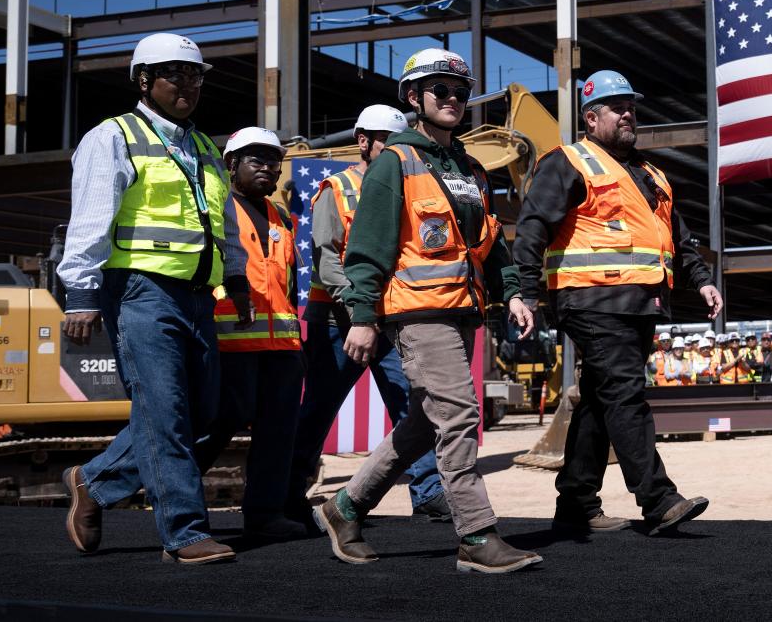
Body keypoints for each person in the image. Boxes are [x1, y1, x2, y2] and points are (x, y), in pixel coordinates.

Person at [312, 48, 541, 574]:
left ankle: (344, 507)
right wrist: (365, 317)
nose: (454, 100)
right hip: (415, 313)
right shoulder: (394, 162)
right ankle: (476, 535)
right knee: (459, 415)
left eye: (461, 92)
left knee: (421, 421)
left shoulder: (469, 165)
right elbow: (368, 249)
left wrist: (513, 293)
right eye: (441, 90)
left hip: (462, 310)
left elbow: (493, 245)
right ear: (414, 98)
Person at [514, 69, 720, 537]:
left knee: (598, 402)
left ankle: (576, 505)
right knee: (625, 394)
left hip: (640, 303)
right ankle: (658, 499)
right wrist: (526, 293)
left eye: (632, 106)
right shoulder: (567, 162)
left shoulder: (651, 174)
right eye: (617, 107)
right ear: (591, 118)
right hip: (591, 300)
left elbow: (679, 239)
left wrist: (702, 280)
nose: (629, 114)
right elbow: (531, 229)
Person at [58, 33, 238, 564]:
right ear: (143, 80)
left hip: (197, 294)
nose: (188, 84)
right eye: (174, 74)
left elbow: (220, 224)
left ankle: (93, 482)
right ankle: (184, 534)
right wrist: (81, 294)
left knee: (207, 415)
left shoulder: (205, 147)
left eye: (196, 74)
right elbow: (91, 218)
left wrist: (238, 279)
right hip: (139, 292)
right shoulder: (112, 137)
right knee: (165, 414)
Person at [286, 105, 448, 527]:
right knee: (320, 408)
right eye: (386, 141)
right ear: (363, 140)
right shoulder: (337, 187)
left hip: (389, 320)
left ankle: (429, 491)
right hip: (341, 323)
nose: (396, 149)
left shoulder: (407, 184)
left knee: (414, 406)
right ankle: (288, 491)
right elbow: (326, 261)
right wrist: (361, 310)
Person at [192, 127, 305, 539]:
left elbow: (285, 285)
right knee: (215, 428)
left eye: (273, 162)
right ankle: (179, 503)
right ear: (231, 164)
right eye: (256, 160)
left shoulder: (280, 217)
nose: (267, 169)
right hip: (231, 344)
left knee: (278, 434)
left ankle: (265, 516)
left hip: (282, 346)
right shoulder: (216, 207)